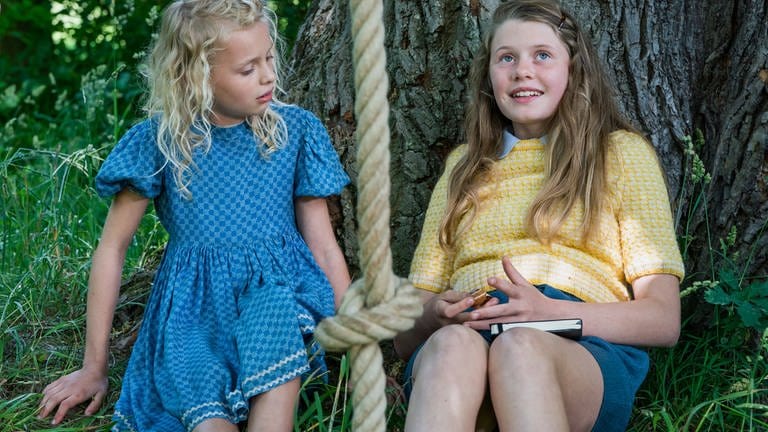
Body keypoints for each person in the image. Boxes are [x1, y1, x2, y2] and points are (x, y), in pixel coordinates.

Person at [37, 1, 351, 431]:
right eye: (247, 69)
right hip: (192, 314)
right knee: (204, 412)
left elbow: (322, 242)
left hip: (277, 294)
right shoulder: (158, 142)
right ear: (196, 76)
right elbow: (112, 250)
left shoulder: (292, 130)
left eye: (269, 58)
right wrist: (95, 367)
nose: (268, 76)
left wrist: (355, 330)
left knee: (275, 315)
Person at [393, 1, 684, 431]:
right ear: (489, 77)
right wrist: (436, 312)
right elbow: (404, 338)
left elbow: (662, 319)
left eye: (542, 55)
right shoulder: (463, 167)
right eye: (506, 57)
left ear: (574, 69)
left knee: (520, 347)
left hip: (578, 343)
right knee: (451, 344)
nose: (522, 70)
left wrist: (548, 313)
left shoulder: (618, 154)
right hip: (470, 337)